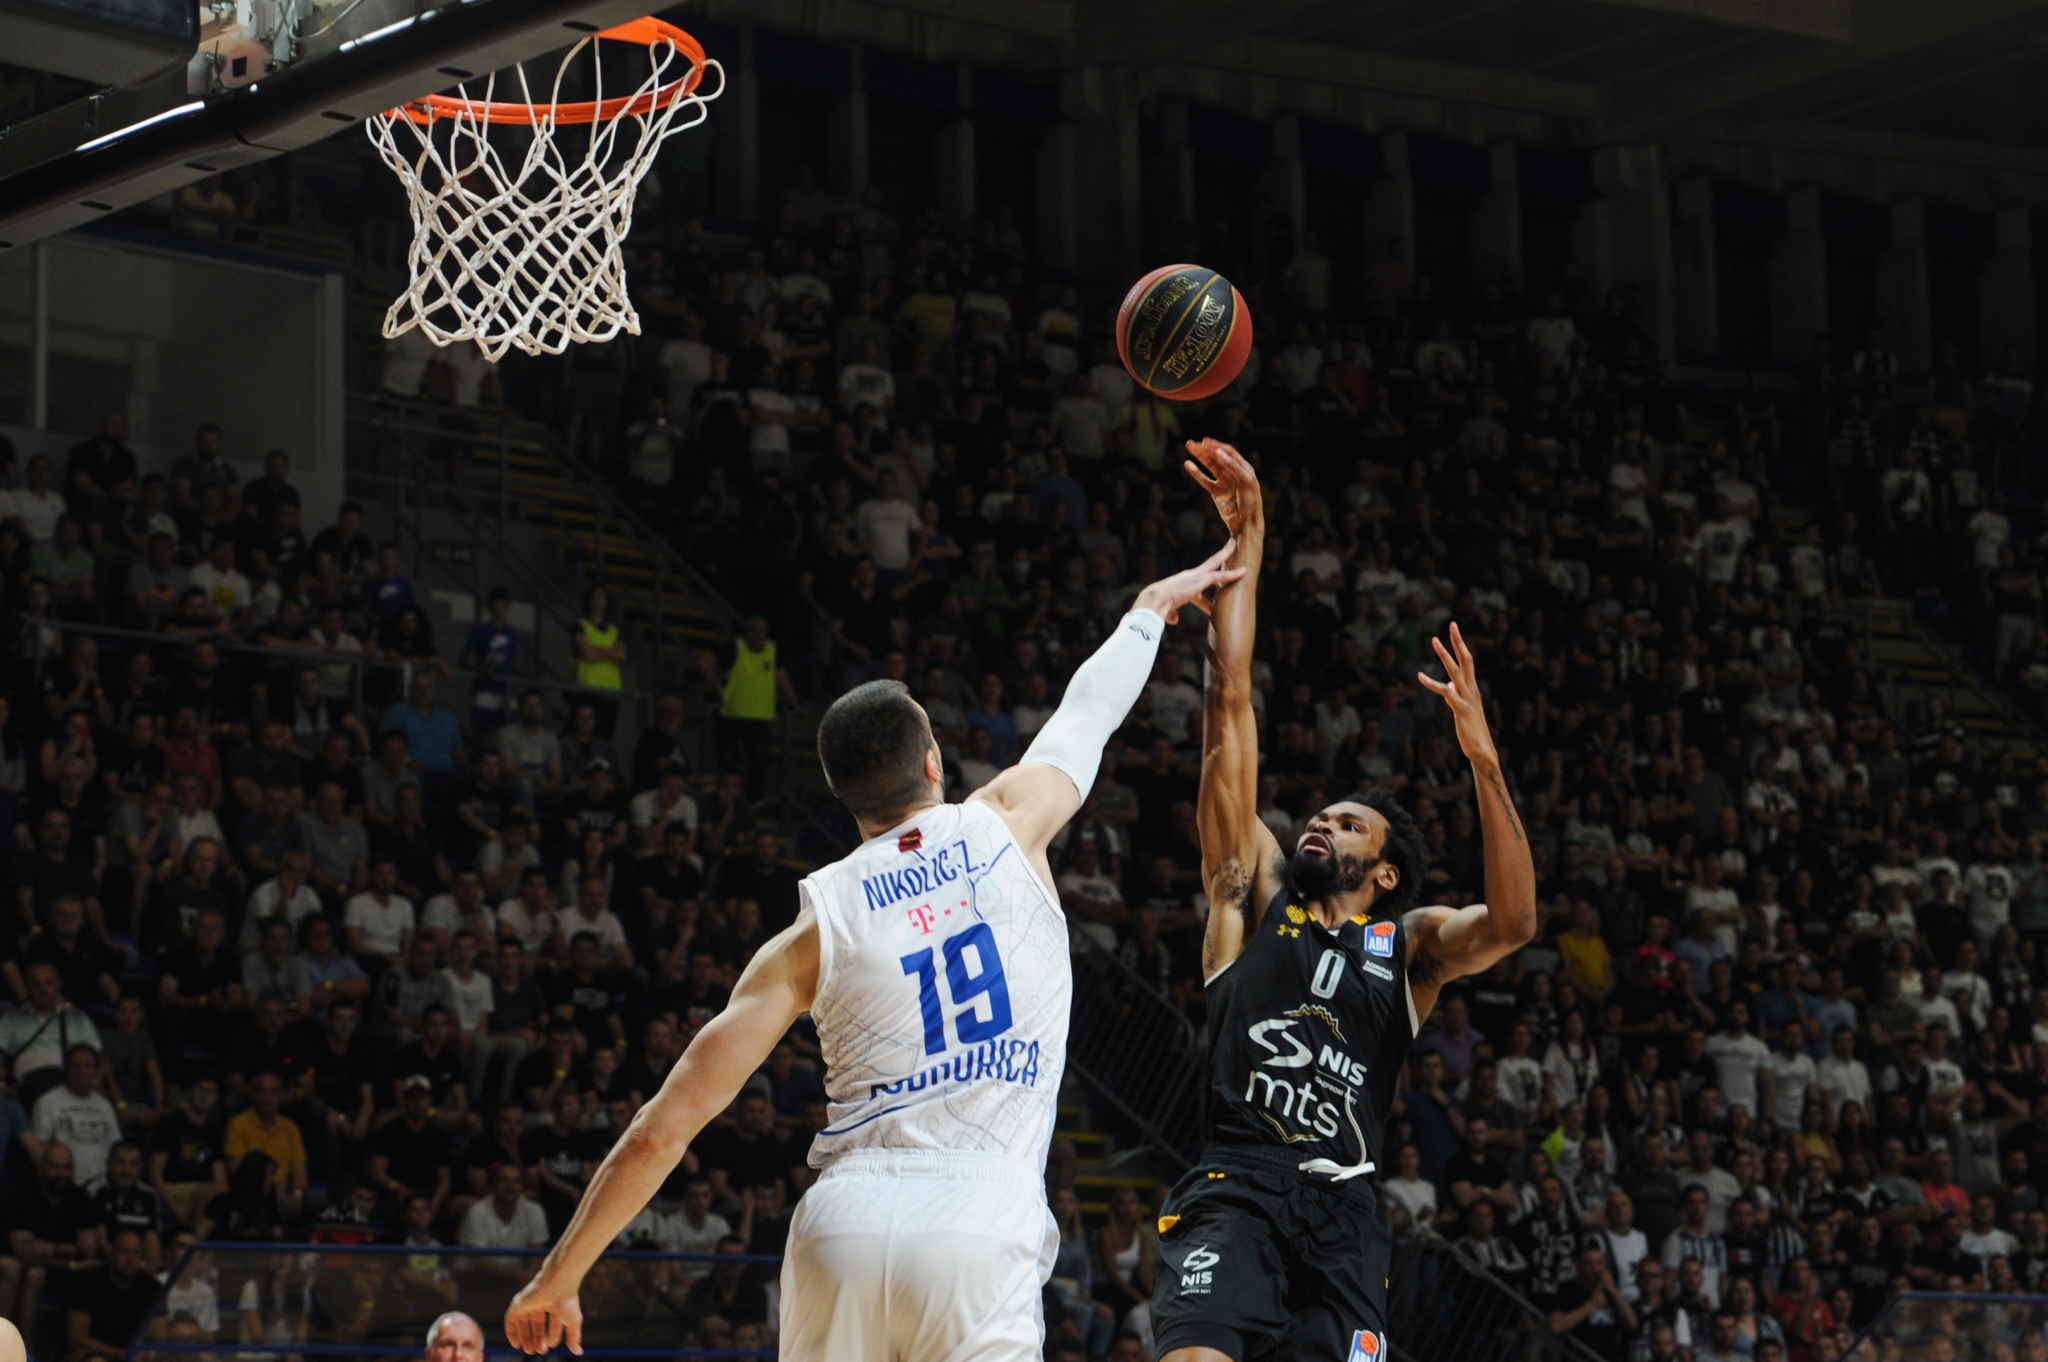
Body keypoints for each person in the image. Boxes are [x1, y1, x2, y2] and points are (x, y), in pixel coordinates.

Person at [503, 547, 1242, 1360]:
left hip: (844, 1225)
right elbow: (1088, 709)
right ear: (933, 762)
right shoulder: (1006, 820)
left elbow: (663, 1128)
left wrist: (558, 1276)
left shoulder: (812, 928)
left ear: (844, 794)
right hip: (978, 1216)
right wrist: (1148, 608)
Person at [1148, 440, 1535, 1362]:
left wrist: (1485, 763)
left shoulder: (1407, 949)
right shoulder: (1253, 893)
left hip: (1346, 1211)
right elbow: (1231, 709)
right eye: (1320, 817)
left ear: (1388, 870)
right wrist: (1249, 549)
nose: (1322, 823)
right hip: (1237, 1183)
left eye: (1350, 825)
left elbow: (1515, 924)